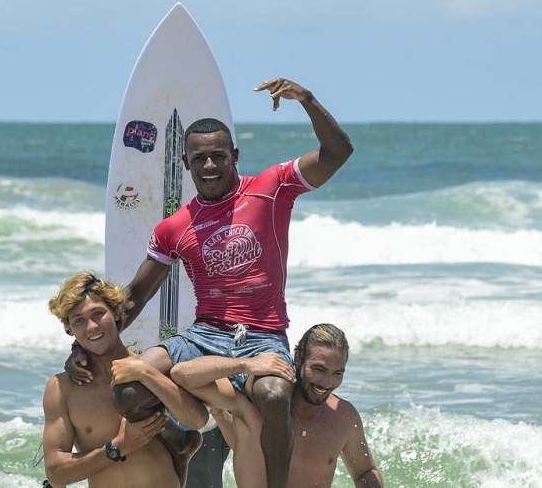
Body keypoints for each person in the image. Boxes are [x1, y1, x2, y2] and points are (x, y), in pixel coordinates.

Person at [67, 78, 354, 487]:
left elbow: (338, 152)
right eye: (199, 158)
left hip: (263, 335)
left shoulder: (272, 188)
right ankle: (181, 440)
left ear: (234, 155)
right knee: (129, 393)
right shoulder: (175, 227)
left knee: (273, 396)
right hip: (203, 337)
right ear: (185, 163)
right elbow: (135, 297)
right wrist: (81, 346)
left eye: (219, 156)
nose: (209, 166)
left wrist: (306, 100)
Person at [42, 271, 207, 488]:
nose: (92, 326)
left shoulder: (151, 365)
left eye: (98, 313)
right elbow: (56, 474)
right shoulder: (61, 388)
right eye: (79, 320)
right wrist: (117, 447)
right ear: (69, 330)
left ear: (117, 313)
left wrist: (147, 374)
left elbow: (198, 420)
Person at [170, 324, 384, 488]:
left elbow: (365, 472)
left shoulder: (343, 416)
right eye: (319, 369)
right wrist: (245, 364)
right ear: (298, 358)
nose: (327, 382)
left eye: (338, 373)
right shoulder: (258, 407)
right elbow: (184, 374)